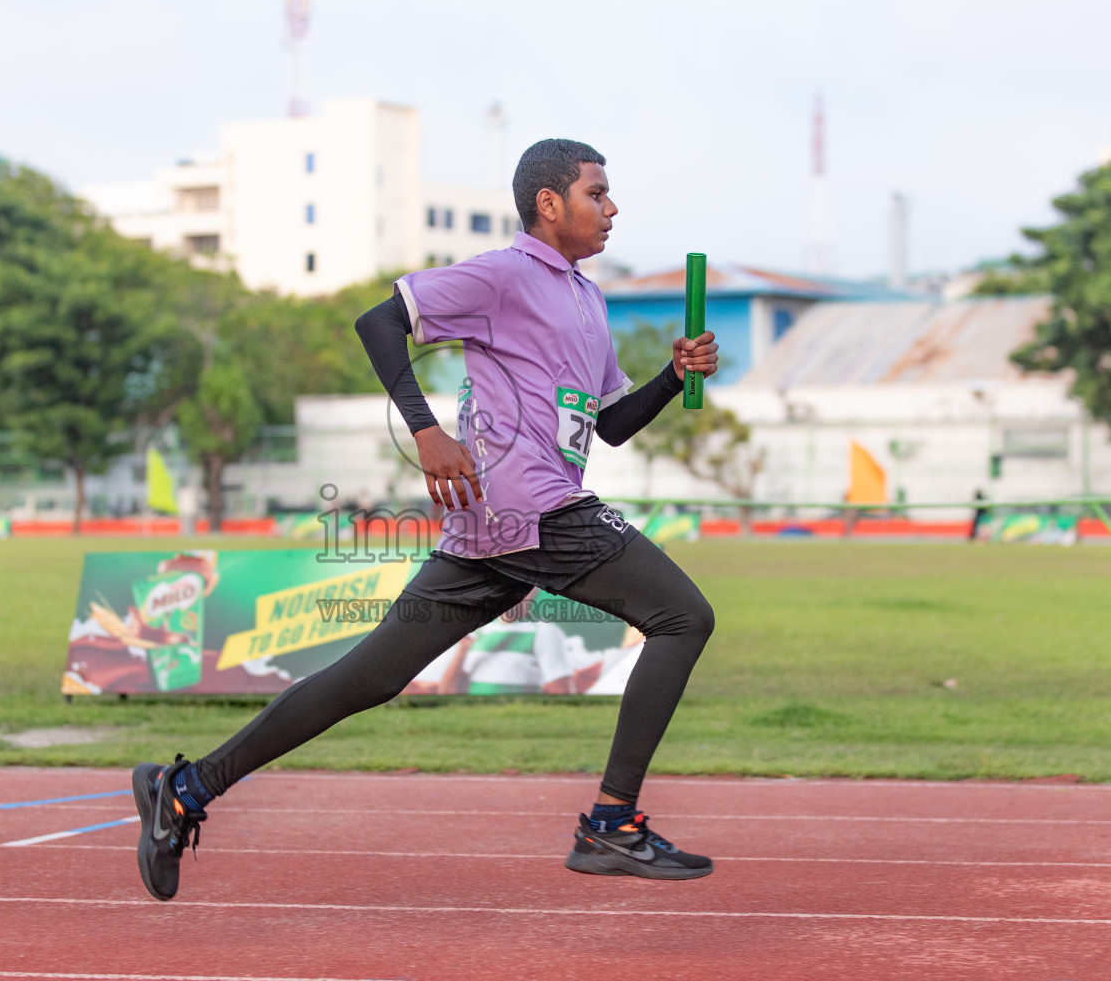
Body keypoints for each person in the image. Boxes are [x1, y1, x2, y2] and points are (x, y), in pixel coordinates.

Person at [132, 138, 720, 900]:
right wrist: (426, 429)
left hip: (492, 527)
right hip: (530, 506)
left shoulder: (587, 297)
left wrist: (673, 377)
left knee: (364, 680)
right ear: (549, 204)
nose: (611, 209)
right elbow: (380, 323)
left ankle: (186, 790)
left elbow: (608, 424)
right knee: (683, 616)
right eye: (596, 194)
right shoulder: (503, 274)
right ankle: (612, 825)